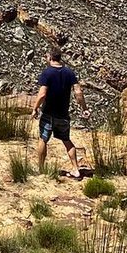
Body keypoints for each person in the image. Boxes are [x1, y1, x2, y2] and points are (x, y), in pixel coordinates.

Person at [31, 46, 89, 178]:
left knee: (43, 139)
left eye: (46, 56)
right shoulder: (69, 73)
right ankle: (76, 169)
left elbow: (42, 94)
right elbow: (78, 93)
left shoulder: (47, 73)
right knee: (67, 140)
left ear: (50, 57)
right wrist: (84, 108)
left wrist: (35, 108)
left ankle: (41, 168)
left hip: (48, 113)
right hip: (63, 114)